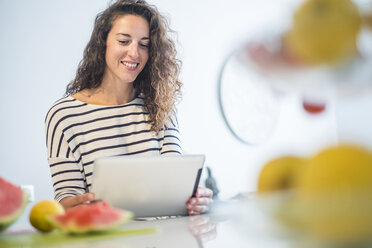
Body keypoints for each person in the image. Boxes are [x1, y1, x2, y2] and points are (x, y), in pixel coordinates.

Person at [45, 0, 212, 215]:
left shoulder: (161, 106)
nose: (134, 53)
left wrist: (196, 200)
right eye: (124, 41)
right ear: (102, 43)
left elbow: (177, 188)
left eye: (144, 44)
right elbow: (67, 200)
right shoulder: (63, 115)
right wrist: (74, 206)